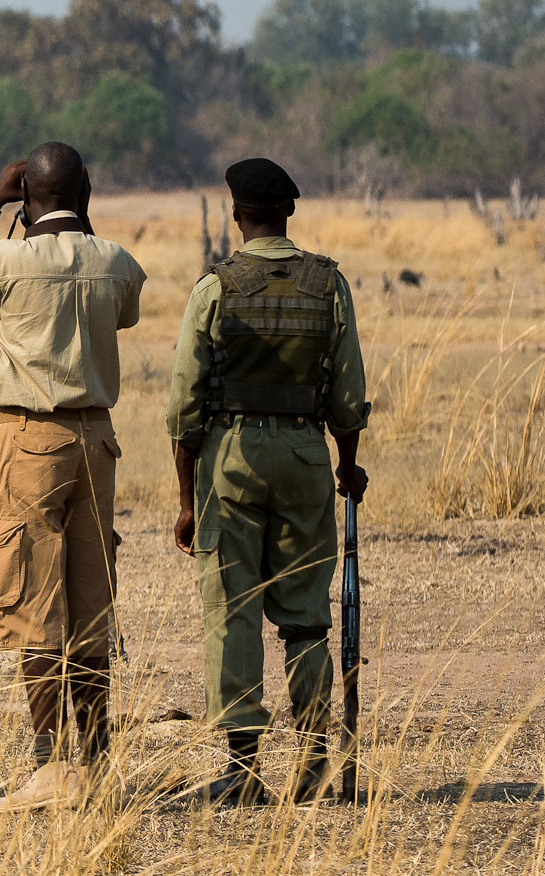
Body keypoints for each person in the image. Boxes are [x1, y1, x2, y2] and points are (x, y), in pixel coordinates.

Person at [0, 141, 146, 808]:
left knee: (34, 603)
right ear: (85, 192)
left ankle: (51, 767)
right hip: (97, 442)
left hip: (29, 440)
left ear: (27, 195)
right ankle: (99, 765)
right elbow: (126, 307)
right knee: (90, 607)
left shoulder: (7, 259)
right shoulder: (117, 262)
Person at [165, 158, 368, 806]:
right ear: (290, 211)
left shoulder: (216, 286)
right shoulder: (328, 284)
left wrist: (184, 498)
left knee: (232, 612)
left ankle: (244, 767)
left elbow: (183, 407)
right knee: (307, 620)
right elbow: (349, 395)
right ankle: (312, 761)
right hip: (308, 456)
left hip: (232, 458)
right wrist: (343, 462)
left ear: (235, 215)